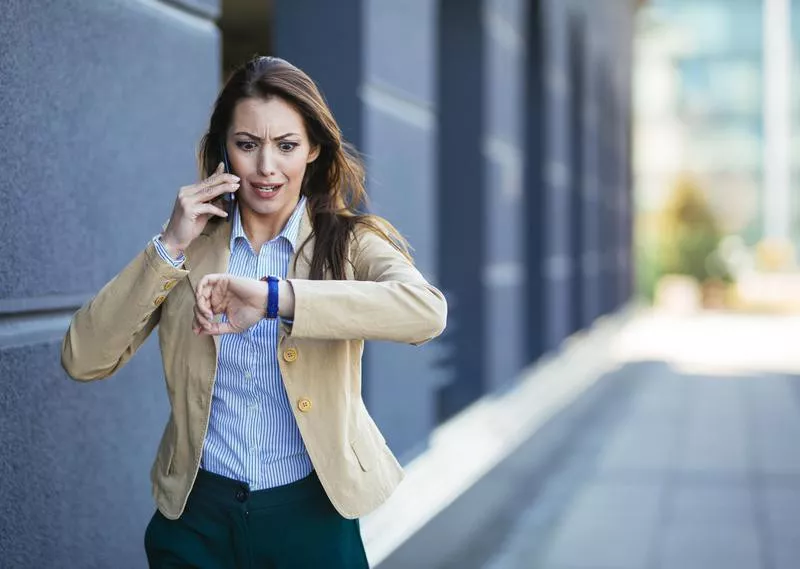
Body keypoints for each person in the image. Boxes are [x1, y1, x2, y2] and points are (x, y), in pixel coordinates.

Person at [61, 55, 447, 568]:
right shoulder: (189, 249)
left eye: (286, 146)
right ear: (226, 148)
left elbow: (425, 311)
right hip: (197, 520)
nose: (266, 168)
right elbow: (84, 357)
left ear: (313, 148)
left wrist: (274, 298)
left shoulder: (350, 242)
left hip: (312, 516)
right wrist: (170, 244)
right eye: (247, 145)